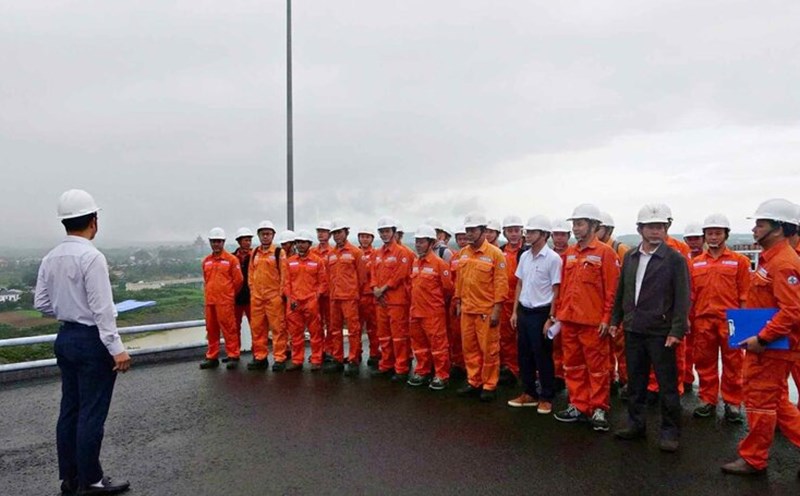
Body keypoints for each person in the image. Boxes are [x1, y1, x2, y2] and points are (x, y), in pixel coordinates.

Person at [34, 189, 132, 495]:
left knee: (70, 410)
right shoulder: (92, 257)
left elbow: (41, 303)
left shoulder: (51, 257)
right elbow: (103, 310)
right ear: (94, 220)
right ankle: (91, 480)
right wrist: (117, 349)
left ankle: (70, 479)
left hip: (66, 337)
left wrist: (69, 309)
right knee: (92, 412)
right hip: (91, 341)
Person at [721, 198, 800, 475]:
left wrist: (763, 339)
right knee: (777, 402)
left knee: (761, 403)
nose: (755, 229)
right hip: (766, 345)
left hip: (771, 349)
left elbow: (792, 311)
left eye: (760, 224)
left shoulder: (785, 264)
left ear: (779, 228)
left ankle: (754, 459)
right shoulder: (772, 260)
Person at [611, 204, 690, 453]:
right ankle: (636, 425)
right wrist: (615, 320)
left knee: (667, 385)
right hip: (634, 329)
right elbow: (621, 291)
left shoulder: (674, 259)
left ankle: (670, 432)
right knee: (636, 383)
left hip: (661, 332)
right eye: (651, 227)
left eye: (661, 227)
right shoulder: (631, 257)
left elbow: (682, 297)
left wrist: (676, 331)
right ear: (640, 229)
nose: (656, 231)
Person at [550, 203, 620, 431]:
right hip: (569, 320)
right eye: (575, 224)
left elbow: (612, 290)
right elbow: (563, 287)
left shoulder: (605, 253)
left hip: (593, 323)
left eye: (580, 224)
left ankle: (598, 408)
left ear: (594, 225)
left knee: (597, 367)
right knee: (573, 366)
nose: (576, 229)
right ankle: (578, 405)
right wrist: (557, 314)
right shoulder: (569, 253)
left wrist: (607, 319)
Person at [690, 213, 749, 423]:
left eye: (717, 233)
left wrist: (743, 324)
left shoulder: (739, 261)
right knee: (704, 362)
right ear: (704, 236)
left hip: (730, 320)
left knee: (734, 363)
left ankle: (733, 402)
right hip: (703, 319)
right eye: (709, 233)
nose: (713, 237)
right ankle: (707, 399)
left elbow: (744, 294)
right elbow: (691, 295)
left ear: (726, 235)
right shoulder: (695, 263)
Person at [508, 215, 562, 415]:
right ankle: (529, 392)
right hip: (524, 311)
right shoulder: (524, 256)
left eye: (531, 232)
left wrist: (551, 318)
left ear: (544, 235)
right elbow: (519, 284)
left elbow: (556, 290)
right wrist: (515, 311)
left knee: (543, 356)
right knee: (524, 355)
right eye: (527, 231)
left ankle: (546, 396)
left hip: (542, 313)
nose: (527, 235)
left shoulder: (553, 259)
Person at [454, 213, 509, 402]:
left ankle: (489, 384)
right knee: (469, 349)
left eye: (473, 230)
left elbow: (501, 284)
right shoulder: (463, 253)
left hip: (486, 311)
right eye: (467, 230)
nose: (469, 234)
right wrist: (459, 301)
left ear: (483, 231)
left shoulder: (495, 254)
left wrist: (496, 310)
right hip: (468, 309)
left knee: (489, 349)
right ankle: (473, 381)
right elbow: (460, 281)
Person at [407, 225, 454, 390]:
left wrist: (436, 305)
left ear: (431, 242)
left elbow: (448, 289)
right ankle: (422, 370)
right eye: (417, 241)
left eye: (422, 241)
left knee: (438, 345)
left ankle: (441, 375)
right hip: (416, 311)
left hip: (433, 313)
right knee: (419, 345)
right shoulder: (414, 262)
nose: (418, 244)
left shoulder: (440, 264)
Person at [371, 216, 413, 381]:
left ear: (394, 232)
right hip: (380, 301)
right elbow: (373, 273)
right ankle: (386, 364)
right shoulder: (377, 253)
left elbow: (400, 275)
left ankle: (401, 367)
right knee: (384, 335)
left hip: (397, 301)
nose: (384, 234)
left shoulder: (403, 253)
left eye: (387, 231)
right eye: (382, 231)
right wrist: (375, 288)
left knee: (398, 336)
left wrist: (383, 288)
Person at [200, 228, 244, 370]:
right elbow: (206, 280)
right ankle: (212, 356)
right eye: (213, 241)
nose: (216, 244)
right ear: (210, 243)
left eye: (218, 241)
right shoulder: (206, 261)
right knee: (211, 329)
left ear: (223, 242)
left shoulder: (231, 260)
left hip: (225, 301)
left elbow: (238, 281)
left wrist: (229, 294)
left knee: (229, 329)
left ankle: (233, 355)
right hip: (210, 301)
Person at [283, 230, 327, 371]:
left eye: (303, 242)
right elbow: (286, 283)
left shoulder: (317, 261)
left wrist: (315, 297)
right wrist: (290, 298)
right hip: (294, 303)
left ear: (309, 244)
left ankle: (316, 359)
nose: (300, 245)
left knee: (315, 333)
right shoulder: (289, 262)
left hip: (311, 302)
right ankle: (297, 360)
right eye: (298, 242)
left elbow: (323, 283)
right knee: (296, 334)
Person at [247, 220, 288, 372]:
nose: (265, 236)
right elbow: (250, 274)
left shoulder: (278, 252)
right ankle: (260, 357)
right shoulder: (255, 253)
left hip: (273, 298)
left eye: (268, 234)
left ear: (273, 235)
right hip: (257, 298)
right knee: (257, 329)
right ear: (258, 235)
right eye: (263, 234)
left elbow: (284, 275)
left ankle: (279, 358)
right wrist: (253, 291)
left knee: (278, 329)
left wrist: (280, 294)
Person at [325, 220, 363, 376]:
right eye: (334, 233)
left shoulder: (356, 253)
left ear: (346, 233)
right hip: (334, 298)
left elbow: (361, 277)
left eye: (339, 232)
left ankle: (353, 359)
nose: (336, 236)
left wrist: (354, 293)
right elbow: (328, 276)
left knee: (353, 330)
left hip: (350, 298)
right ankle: (337, 358)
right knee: (334, 330)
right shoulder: (331, 254)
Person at [598, 212, 630, 396]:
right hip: (601, 307)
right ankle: (609, 379)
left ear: (608, 229)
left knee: (622, 347)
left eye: (599, 228)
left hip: (619, 307)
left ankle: (626, 381)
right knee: (604, 348)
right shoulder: (595, 250)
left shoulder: (620, 249)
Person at [498, 215, 524, 386]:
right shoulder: (499, 251)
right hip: (503, 300)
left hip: (522, 301)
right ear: (504, 233)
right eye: (510, 231)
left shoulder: (527, 251)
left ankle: (521, 369)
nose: (513, 234)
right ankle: (509, 368)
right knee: (505, 337)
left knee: (522, 338)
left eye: (516, 230)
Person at [549, 219, 571, 390]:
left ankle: (568, 376)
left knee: (569, 345)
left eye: (563, 234)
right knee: (554, 342)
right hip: (552, 303)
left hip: (570, 305)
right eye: (556, 234)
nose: (559, 238)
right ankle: (556, 375)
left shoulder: (572, 256)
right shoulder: (548, 256)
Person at [447, 225, 469, 379]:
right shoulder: (454, 257)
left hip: (470, 300)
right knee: (455, 335)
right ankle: (458, 363)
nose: (461, 241)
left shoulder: (473, 256)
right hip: (455, 300)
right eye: (459, 239)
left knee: (469, 337)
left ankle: (469, 366)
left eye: (464, 238)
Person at [357, 227, 380, 367]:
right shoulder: (354, 253)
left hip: (371, 296)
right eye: (362, 236)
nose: (364, 239)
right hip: (357, 296)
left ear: (372, 238)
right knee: (356, 328)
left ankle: (374, 353)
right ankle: (356, 353)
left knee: (373, 327)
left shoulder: (376, 254)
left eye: (367, 237)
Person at [311, 220, 333, 360]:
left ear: (329, 234)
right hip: (315, 294)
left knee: (331, 323)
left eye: (324, 231)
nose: (321, 234)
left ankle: (329, 350)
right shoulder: (312, 252)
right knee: (316, 324)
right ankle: (318, 352)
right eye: (319, 231)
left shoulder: (333, 252)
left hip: (330, 294)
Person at [232, 228, 254, 349]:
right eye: (246, 240)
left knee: (256, 327)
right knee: (234, 327)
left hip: (252, 297)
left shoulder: (255, 256)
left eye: (249, 240)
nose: (248, 242)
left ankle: (258, 354)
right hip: (236, 297)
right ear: (239, 241)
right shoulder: (232, 258)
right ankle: (234, 353)